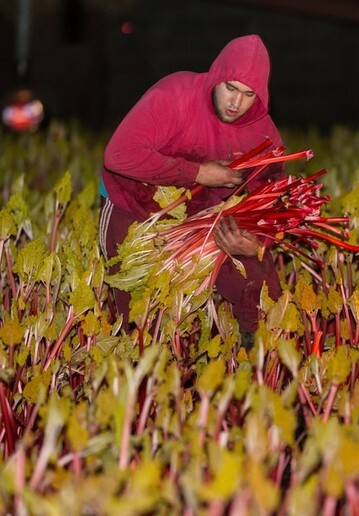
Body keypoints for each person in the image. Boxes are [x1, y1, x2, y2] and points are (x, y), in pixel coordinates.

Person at [99, 34, 283, 347]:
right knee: (138, 313)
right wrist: (199, 173)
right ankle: (141, 355)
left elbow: (273, 196)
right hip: (134, 201)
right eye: (230, 88)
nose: (235, 103)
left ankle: (253, 352)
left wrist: (256, 244)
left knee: (263, 284)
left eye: (248, 94)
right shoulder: (174, 96)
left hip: (201, 215)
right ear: (216, 78)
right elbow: (117, 155)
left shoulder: (262, 132)